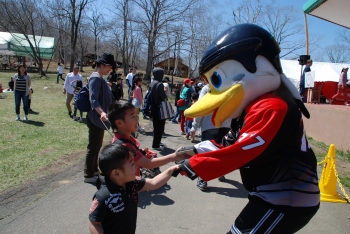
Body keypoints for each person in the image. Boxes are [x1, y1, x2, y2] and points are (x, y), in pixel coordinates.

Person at [88, 143, 179, 234]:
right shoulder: (103, 197)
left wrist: (172, 170)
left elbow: (153, 183)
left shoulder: (132, 183)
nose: (136, 166)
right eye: (132, 164)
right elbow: (94, 223)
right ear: (116, 173)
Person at [108, 101, 190, 177]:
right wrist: (174, 156)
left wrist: (141, 152)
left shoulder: (124, 136)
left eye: (136, 115)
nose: (137, 119)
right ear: (119, 123)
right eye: (133, 116)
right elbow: (148, 164)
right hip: (129, 186)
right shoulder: (125, 144)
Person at [190, 79, 231, 191]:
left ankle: (203, 179)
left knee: (205, 153)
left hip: (209, 124)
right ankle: (220, 173)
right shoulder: (229, 86)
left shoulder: (207, 88)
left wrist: (194, 126)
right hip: (225, 124)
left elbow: (201, 107)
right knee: (221, 152)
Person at [84, 53, 115, 183]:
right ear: (101, 65)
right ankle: (88, 175)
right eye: (109, 66)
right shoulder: (95, 78)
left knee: (97, 146)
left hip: (99, 120)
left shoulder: (100, 78)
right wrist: (102, 112)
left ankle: (94, 169)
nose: (110, 69)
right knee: (93, 147)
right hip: (96, 118)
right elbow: (93, 99)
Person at [150, 68, 167, 150]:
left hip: (153, 108)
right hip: (159, 108)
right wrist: (165, 92)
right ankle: (156, 145)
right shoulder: (160, 84)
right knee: (159, 128)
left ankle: (157, 142)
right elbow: (163, 97)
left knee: (156, 127)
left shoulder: (152, 83)